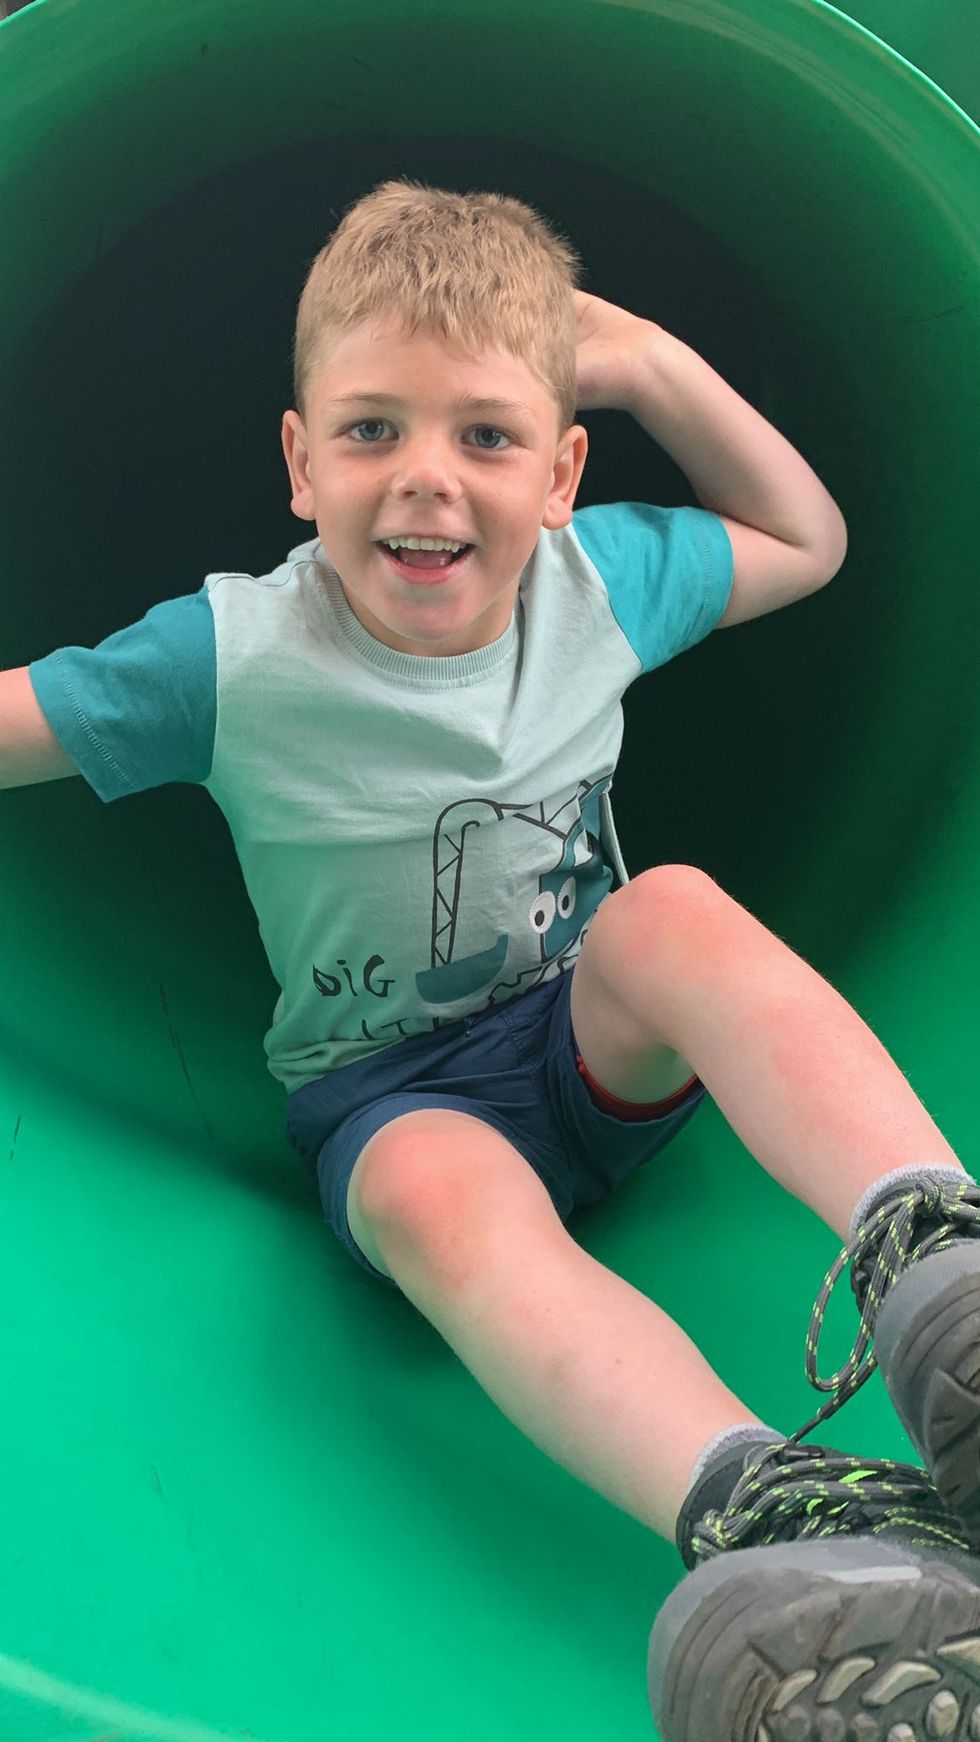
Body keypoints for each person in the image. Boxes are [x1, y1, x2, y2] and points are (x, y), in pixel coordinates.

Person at [3, 177, 980, 1740]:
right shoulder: (228, 658)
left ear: (563, 471)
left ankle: (937, 1262)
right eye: (373, 428)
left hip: (587, 1028)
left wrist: (649, 357)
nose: (427, 482)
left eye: (486, 434)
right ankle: (777, 1514)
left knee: (673, 908)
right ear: (298, 459)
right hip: (391, 1093)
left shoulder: (604, 585)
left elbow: (811, 538)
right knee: (425, 1196)